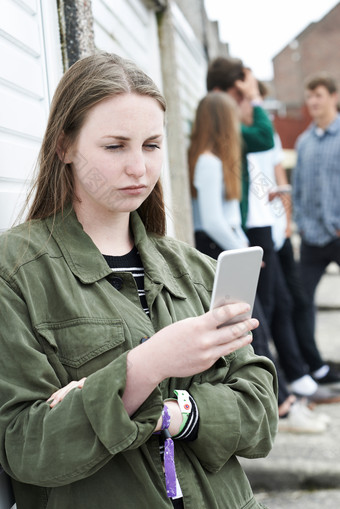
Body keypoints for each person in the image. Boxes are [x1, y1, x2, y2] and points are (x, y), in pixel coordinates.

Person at [0, 52, 278, 509]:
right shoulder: (16, 273)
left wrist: (168, 414)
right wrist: (148, 364)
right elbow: (26, 447)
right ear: (64, 145)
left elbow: (261, 417)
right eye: (115, 146)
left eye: (151, 145)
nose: (139, 168)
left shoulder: (196, 270)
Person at [188, 91, 328, 433]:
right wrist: (245, 250)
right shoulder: (208, 161)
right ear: (222, 120)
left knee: (255, 326)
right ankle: (280, 407)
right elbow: (212, 221)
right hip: (220, 252)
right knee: (255, 328)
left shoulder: (218, 159)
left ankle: (279, 404)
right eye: (233, 117)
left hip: (233, 249)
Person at [293, 73, 340, 384]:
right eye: (310, 96)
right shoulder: (303, 142)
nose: (313, 101)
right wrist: (300, 223)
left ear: (334, 97)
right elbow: (297, 189)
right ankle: (316, 366)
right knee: (300, 299)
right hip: (311, 237)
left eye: (319, 95)